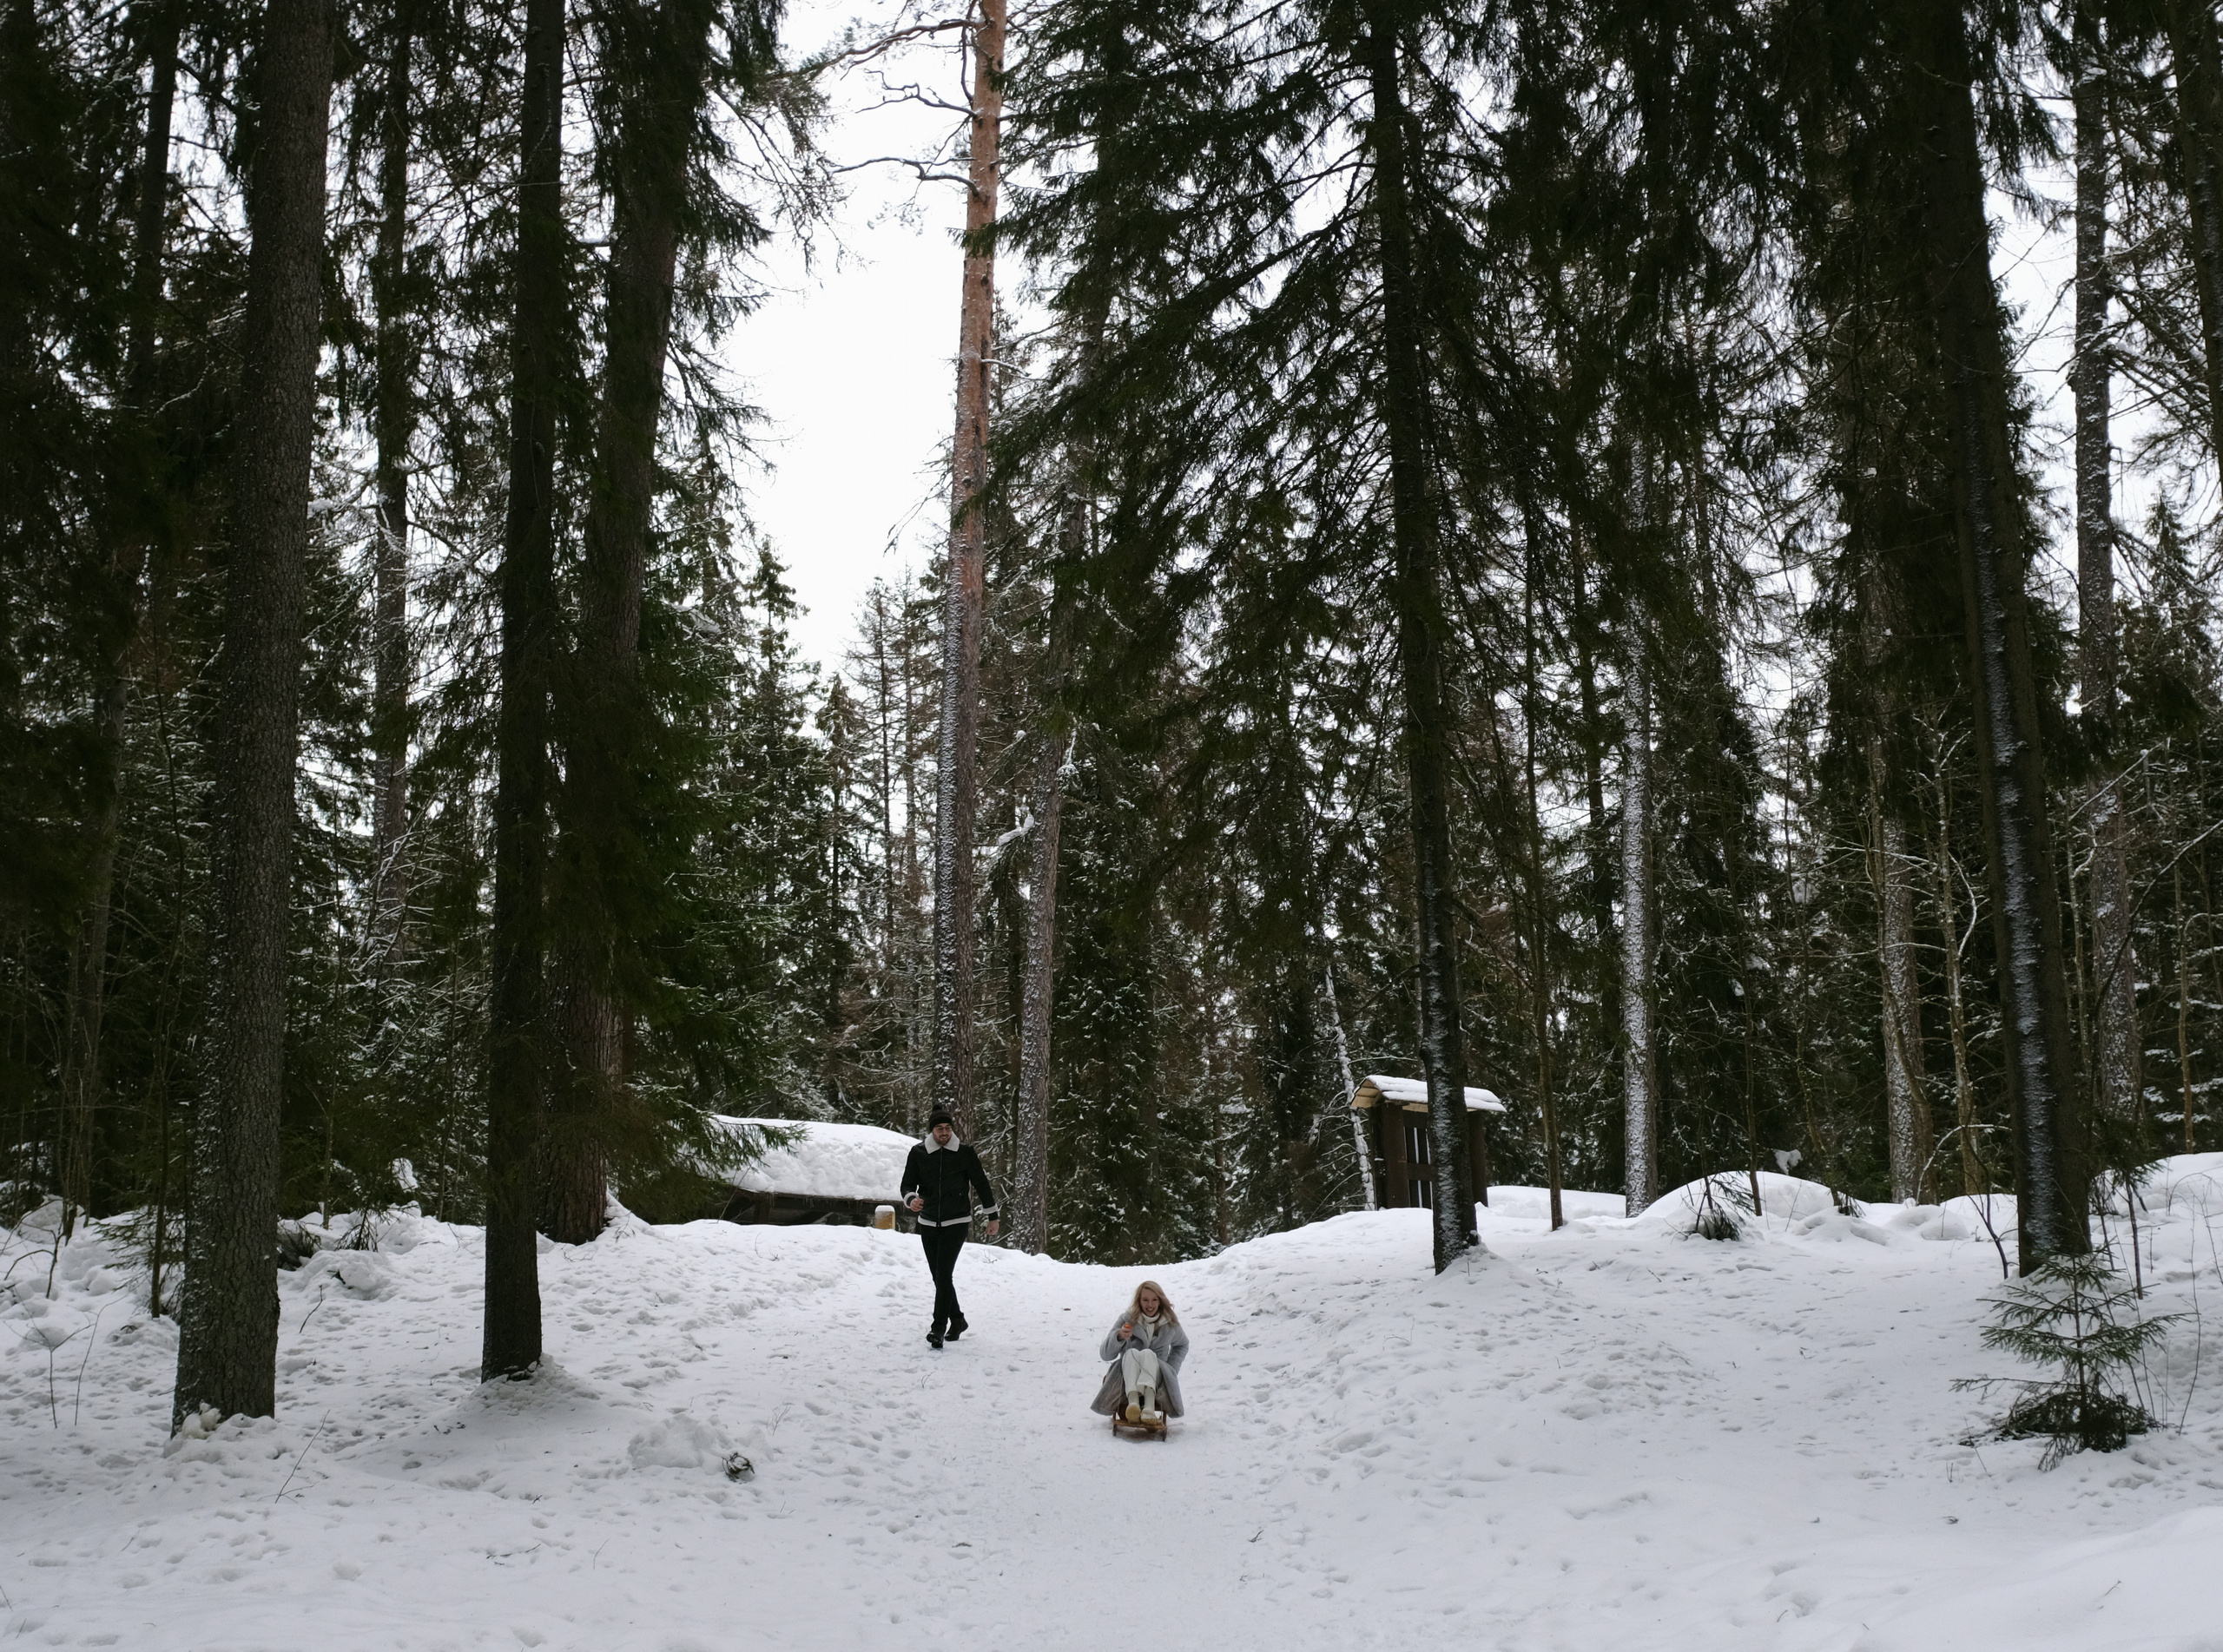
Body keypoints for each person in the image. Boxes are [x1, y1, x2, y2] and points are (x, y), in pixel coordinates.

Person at [900, 1107, 999, 1348]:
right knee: (938, 1276)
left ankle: (938, 1328)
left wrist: (992, 1216)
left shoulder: (964, 1153)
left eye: (948, 1128)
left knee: (943, 1274)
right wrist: (912, 1199)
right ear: (932, 1131)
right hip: (928, 1222)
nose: (944, 1133)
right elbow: (906, 1184)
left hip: (956, 1221)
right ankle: (958, 1319)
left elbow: (982, 1184)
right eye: (939, 1129)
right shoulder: (918, 1153)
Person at [1089, 1280, 1188, 1425]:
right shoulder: (1127, 1319)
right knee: (1132, 1353)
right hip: (1128, 1375)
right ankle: (1133, 1404)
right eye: (1145, 1300)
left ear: (1160, 1301)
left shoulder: (1169, 1323)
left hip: (1157, 1377)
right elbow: (1105, 1355)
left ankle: (1148, 1406)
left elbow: (1182, 1345)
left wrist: (1171, 1369)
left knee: (1148, 1354)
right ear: (1139, 1301)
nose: (1150, 1305)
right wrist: (1119, 1336)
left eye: (1154, 1300)